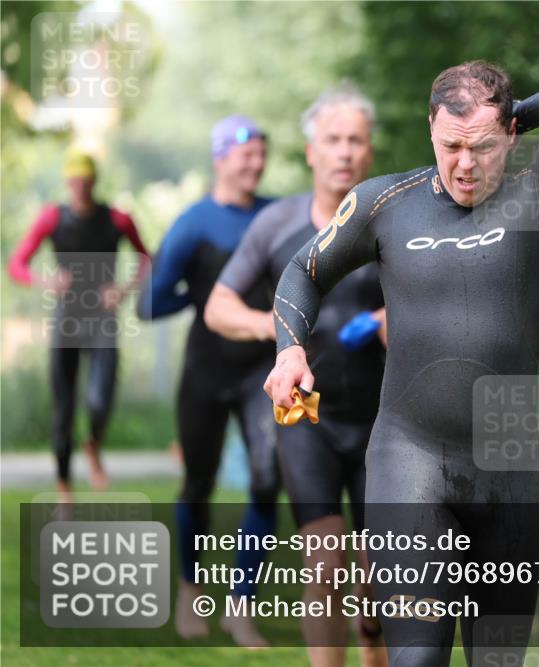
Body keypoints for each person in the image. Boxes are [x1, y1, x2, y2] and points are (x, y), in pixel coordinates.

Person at [263, 61, 539, 666]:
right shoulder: (385, 203)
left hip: (510, 465)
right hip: (411, 459)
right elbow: (304, 270)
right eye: (451, 145)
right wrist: (290, 347)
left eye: (482, 147)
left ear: (509, 136)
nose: (465, 165)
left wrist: (507, 114)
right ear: (431, 131)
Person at [204, 84, 387, 667]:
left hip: (384, 419)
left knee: (379, 580)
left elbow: (441, 298)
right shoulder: (276, 225)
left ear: (370, 151)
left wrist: (390, 318)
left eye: (355, 140)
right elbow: (217, 307)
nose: (344, 151)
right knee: (326, 562)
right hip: (305, 414)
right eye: (332, 139)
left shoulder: (392, 223)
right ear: (311, 151)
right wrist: (283, 334)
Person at [138, 115, 279, 647]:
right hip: (204, 372)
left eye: (262, 155)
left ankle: (240, 607)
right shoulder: (194, 221)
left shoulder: (274, 214)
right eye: (247, 155)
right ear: (220, 158)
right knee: (198, 483)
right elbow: (150, 302)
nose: (256, 164)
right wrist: (201, 298)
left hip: (260, 371)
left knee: (267, 481)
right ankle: (190, 594)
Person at [8, 149, 149, 503]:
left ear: (94, 182)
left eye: (86, 182)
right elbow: (17, 264)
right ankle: (64, 490)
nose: (80, 189)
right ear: (67, 183)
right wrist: (45, 281)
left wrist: (123, 289)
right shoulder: (52, 218)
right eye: (74, 183)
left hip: (102, 319)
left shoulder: (117, 219)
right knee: (64, 407)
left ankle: (94, 445)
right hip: (67, 319)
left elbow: (147, 258)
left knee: (100, 400)